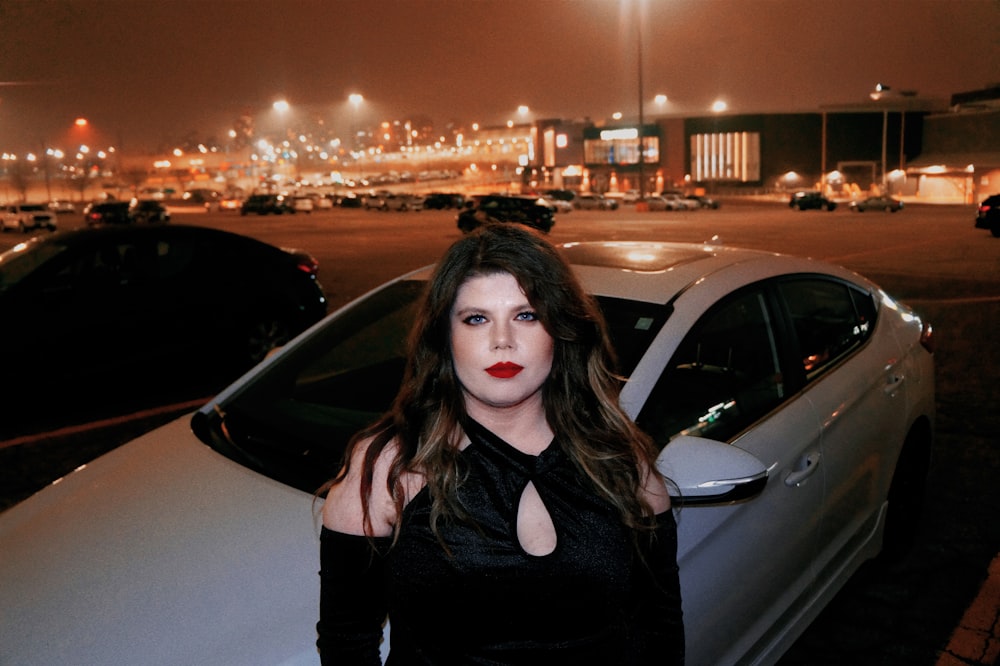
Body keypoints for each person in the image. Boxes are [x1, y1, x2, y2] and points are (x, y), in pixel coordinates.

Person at [317, 223, 684, 665]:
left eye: (526, 315)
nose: (502, 341)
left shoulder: (621, 460)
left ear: (560, 330)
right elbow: (347, 639)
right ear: (445, 339)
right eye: (476, 319)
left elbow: (659, 625)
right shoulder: (389, 466)